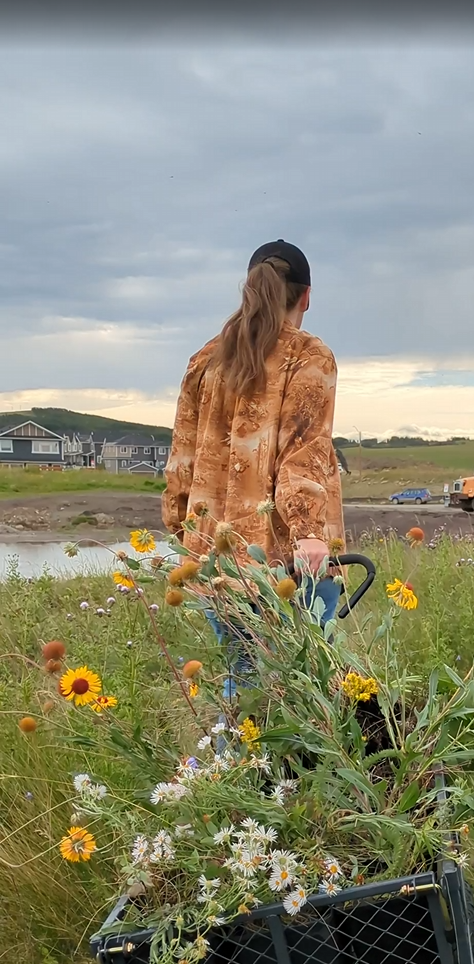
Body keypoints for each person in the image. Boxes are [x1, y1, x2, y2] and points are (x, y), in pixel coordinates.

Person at [163, 240, 345, 691]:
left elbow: (181, 462)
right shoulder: (308, 356)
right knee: (307, 692)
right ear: (306, 297)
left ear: (248, 290)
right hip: (290, 563)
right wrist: (308, 533)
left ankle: (233, 764)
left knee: (241, 688)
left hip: (214, 561)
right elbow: (302, 454)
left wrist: (183, 535)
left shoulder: (205, 360)